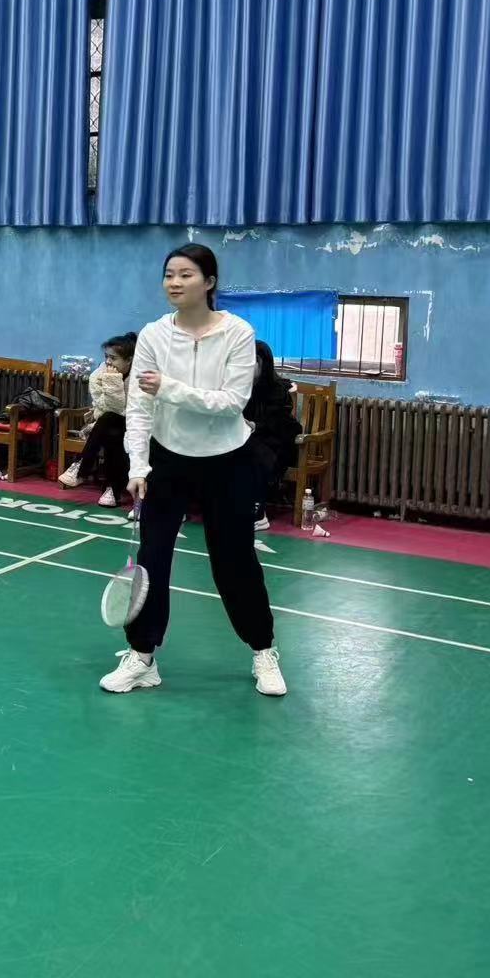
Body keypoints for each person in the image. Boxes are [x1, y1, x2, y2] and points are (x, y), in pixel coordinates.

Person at [101, 244, 286, 698]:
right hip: (169, 459)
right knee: (152, 559)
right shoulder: (153, 336)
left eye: (186, 274)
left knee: (235, 561)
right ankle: (142, 656)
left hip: (229, 459)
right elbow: (139, 408)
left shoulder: (238, 333)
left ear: (209, 282)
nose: (174, 282)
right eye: (169, 274)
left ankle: (263, 650)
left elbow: (231, 404)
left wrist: (169, 388)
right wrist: (138, 464)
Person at [60, 332, 136, 507]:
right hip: (107, 422)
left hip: (136, 423)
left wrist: (113, 381)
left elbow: (129, 410)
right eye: (106, 357)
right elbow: (106, 408)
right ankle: (112, 490)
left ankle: (82, 467)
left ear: (129, 360)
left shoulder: (139, 376)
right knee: (112, 430)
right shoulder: (98, 375)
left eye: (114, 358)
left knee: (112, 426)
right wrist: (111, 380)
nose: (108, 362)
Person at [244, 340, 302, 532]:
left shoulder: (278, 389)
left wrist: (255, 426)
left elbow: (279, 424)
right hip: (249, 438)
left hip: (277, 442)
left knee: (255, 454)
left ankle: (259, 513)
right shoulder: (240, 387)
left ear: (264, 363)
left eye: (253, 360)